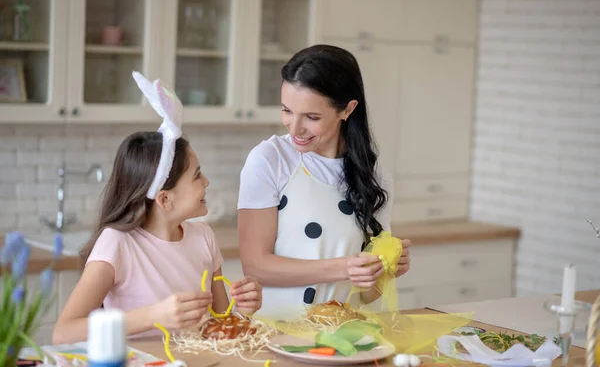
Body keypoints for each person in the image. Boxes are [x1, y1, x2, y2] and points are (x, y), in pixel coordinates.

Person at [53, 72, 262, 344]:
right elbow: (64, 332)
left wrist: (244, 309)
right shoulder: (118, 243)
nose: (206, 181)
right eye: (197, 175)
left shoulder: (204, 238)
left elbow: (219, 323)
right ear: (164, 199)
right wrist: (153, 316)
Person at [237, 44, 411, 319]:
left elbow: (366, 294)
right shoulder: (270, 159)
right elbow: (256, 266)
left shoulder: (374, 176)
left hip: (341, 336)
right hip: (275, 335)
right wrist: (344, 267)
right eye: (287, 110)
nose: (294, 128)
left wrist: (387, 270)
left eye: (311, 117)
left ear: (347, 109)